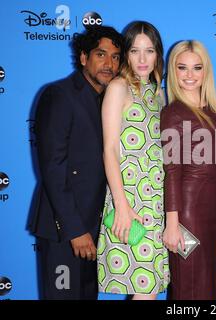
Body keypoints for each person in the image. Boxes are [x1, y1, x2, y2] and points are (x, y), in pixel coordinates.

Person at [30, 26, 123, 300]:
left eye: (116, 57)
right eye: (101, 55)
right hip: (66, 231)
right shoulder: (59, 95)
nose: (109, 64)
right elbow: (53, 168)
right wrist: (75, 230)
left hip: (96, 230)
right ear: (84, 57)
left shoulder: (111, 100)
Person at [97, 21, 169, 300]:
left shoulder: (157, 93)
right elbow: (110, 149)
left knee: (148, 290)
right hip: (130, 200)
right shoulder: (118, 87)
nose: (142, 59)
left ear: (157, 54)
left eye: (149, 51)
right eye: (135, 50)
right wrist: (122, 205)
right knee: (144, 289)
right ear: (126, 53)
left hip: (156, 202)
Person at [161, 40, 216, 300]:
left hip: (214, 211)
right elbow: (172, 171)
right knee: (190, 287)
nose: (190, 75)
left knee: (210, 285)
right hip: (187, 213)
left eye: (196, 67)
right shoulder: (173, 114)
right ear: (173, 71)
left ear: (206, 71)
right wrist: (172, 223)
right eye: (182, 68)